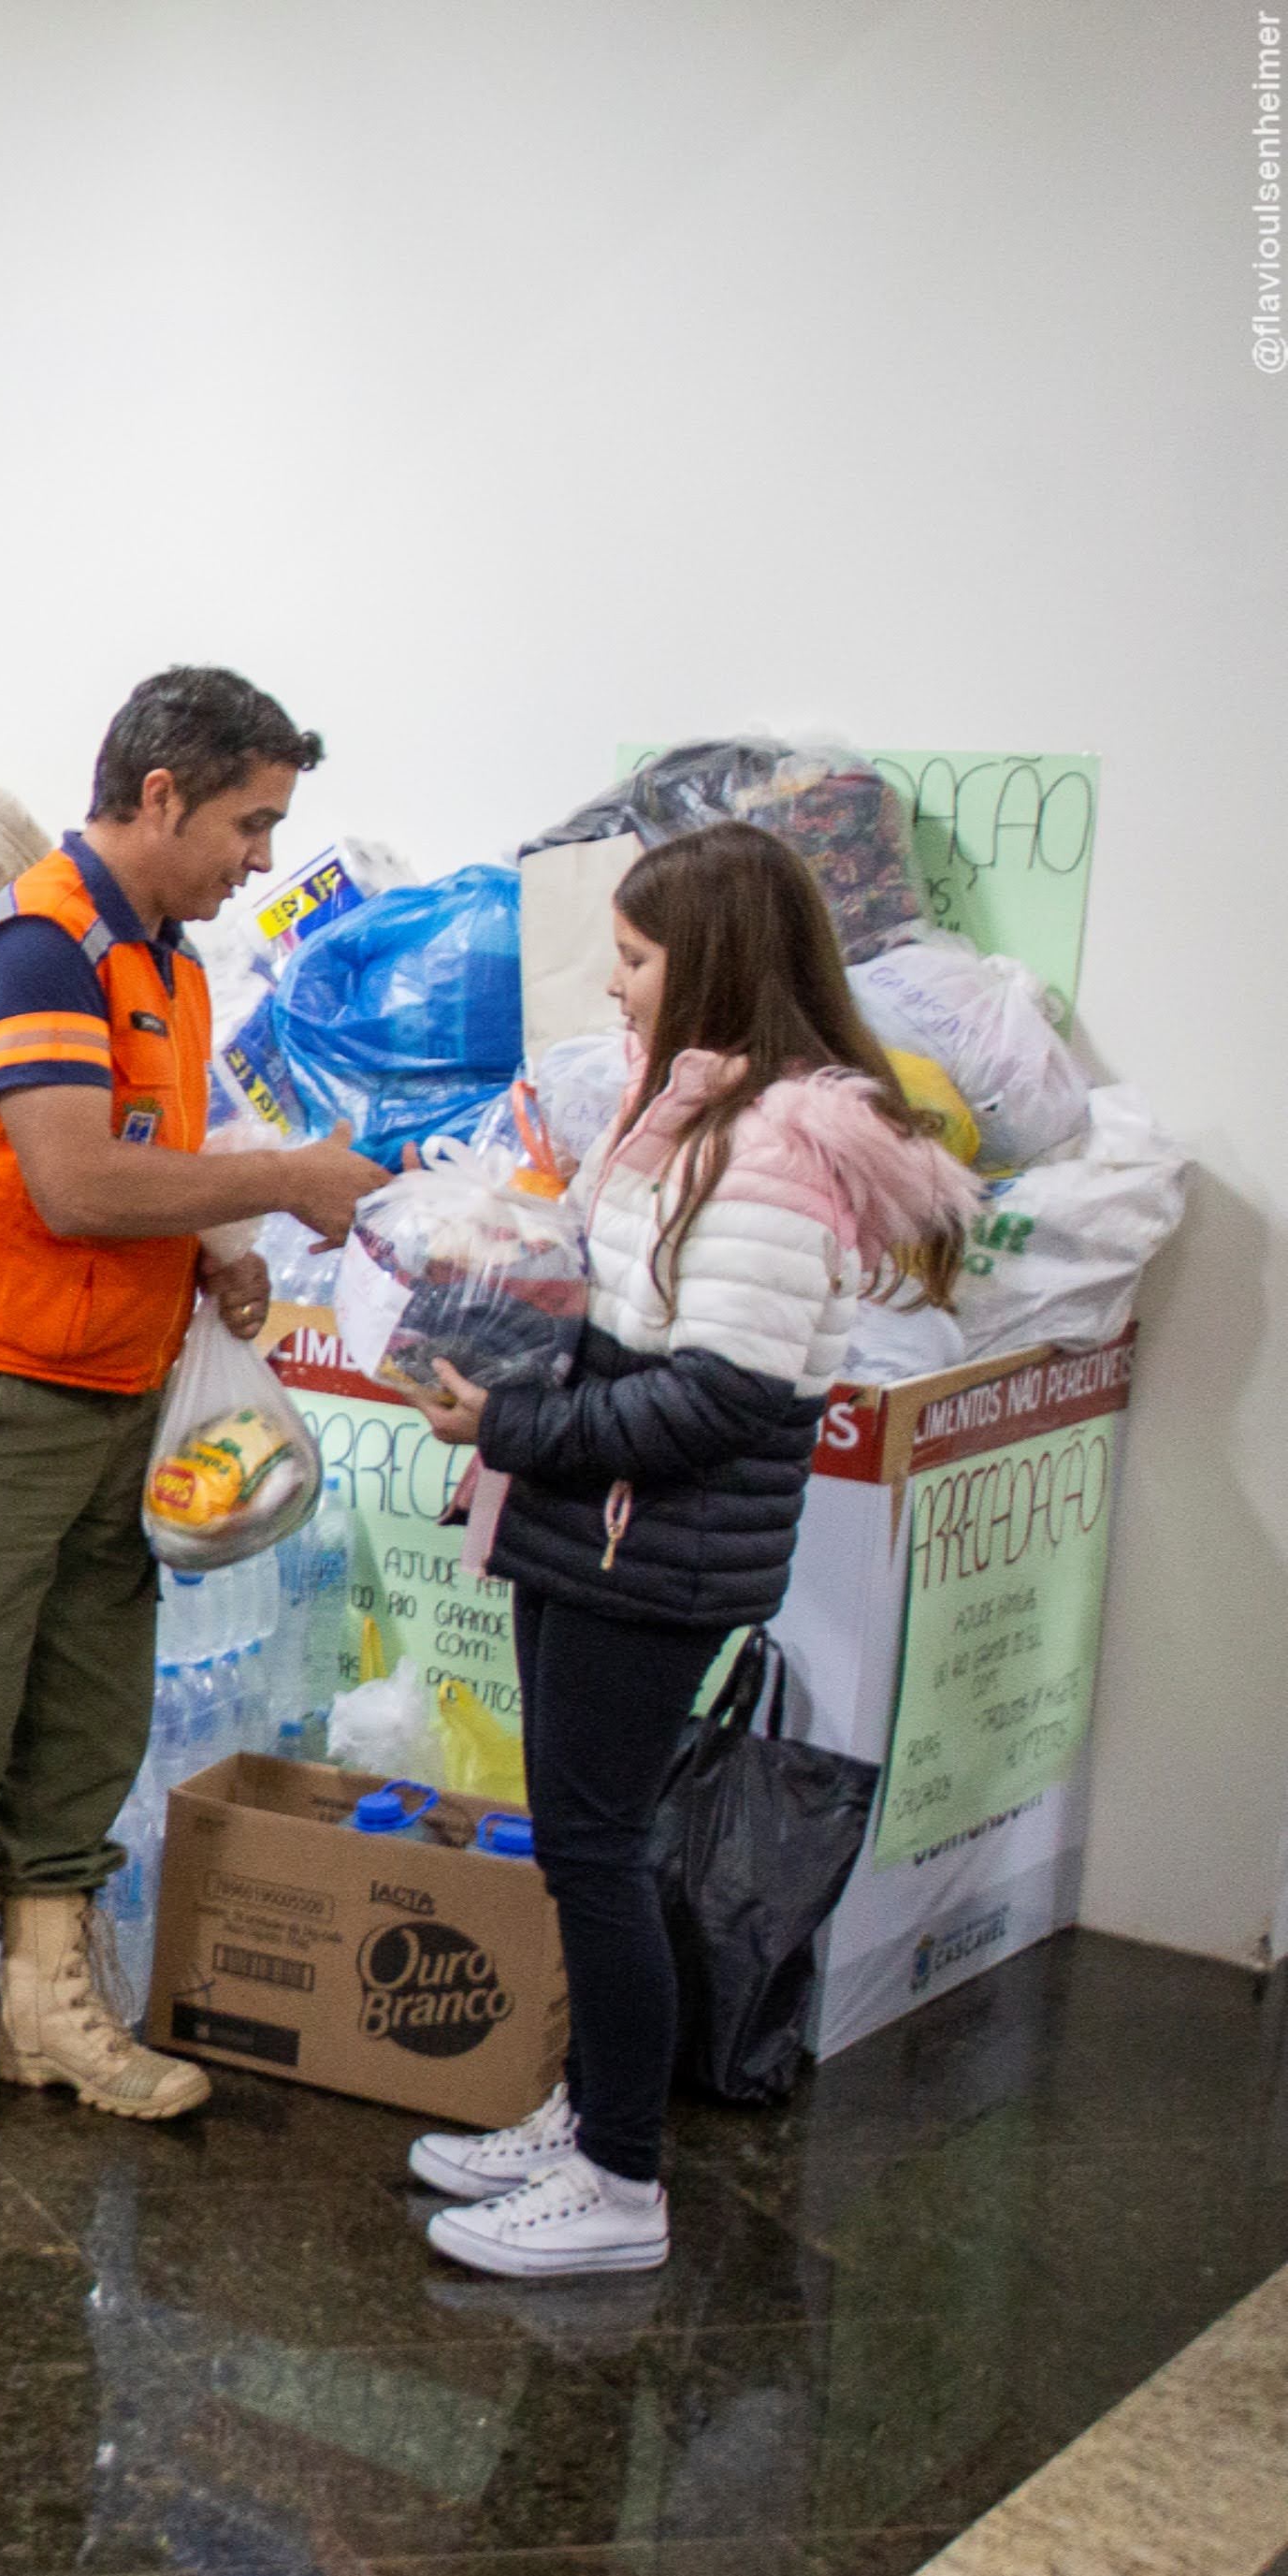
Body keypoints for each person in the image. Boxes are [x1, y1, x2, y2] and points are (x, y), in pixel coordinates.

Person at [389, 823, 970, 2278]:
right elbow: (636, 1324)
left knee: (597, 1854)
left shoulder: (773, 1152)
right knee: (584, 1846)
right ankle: (587, 2111)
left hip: (650, 1551)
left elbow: (722, 1394)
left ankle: (618, 2184)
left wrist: (516, 1416)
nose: (618, 990)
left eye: (637, 960)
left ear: (705, 961)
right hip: (593, 1534)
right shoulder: (688, 1115)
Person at [0, 667, 388, 2123]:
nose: (259, 861)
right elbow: (77, 1179)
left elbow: (154, 1137)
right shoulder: (41, 943)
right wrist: (282, 1182)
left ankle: (50, 2003)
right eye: (247, 822)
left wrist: (217, 1243)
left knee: (88, 1702)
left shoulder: (168, 960)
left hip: (117, 1392)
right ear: (159, 795)